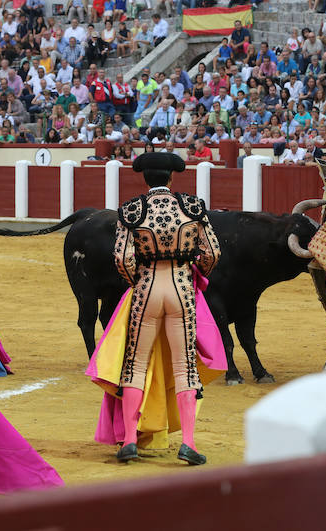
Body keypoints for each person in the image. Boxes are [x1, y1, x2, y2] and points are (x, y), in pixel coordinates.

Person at [108, 152, 220, 464]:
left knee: (136, 364)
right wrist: (196, 273)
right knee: (185, 365)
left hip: (146, 288)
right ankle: (188, 443)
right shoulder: (192, 206)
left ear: (145, 179)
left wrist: (137, 280)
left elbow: (121, 258)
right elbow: (212, 251)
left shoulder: (131, 210)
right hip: (182, 287)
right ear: (172, 178)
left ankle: (130, 440)